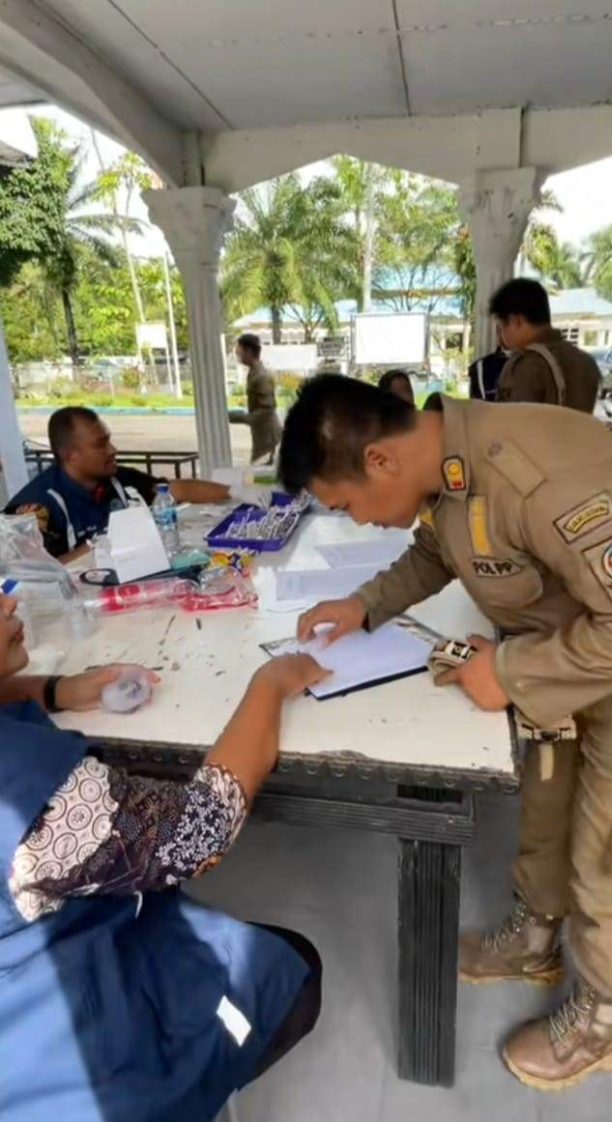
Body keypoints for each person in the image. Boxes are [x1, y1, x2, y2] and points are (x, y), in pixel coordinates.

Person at [277, 374, 612, 1092]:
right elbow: (444, 551)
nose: (362, 523)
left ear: (380, 461)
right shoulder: (449, 470)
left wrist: (510, 669)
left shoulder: (543, 474)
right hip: (570, 660)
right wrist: (363, 604)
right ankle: (536, 942)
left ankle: (603, 1023)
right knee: (548, 810)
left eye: (348, 507)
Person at [0, 590, 327, 1121]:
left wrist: (58, 690)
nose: (10, 604)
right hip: (68, 1061)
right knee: (294, 965)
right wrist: (268, 686)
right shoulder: (22, 801)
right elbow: (202, 827)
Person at [5, 407, 234, 561]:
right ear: (70, 455)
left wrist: (238, 492)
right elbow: (31, 575)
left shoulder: (118, 480)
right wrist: (105, 544)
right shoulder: (36, 507)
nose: (113, 450)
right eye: (101, 444)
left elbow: (179, 489)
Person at [491, 279, 600, 412]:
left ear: (516, 321)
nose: (502, 334)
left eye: (501, 326)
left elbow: (511, 424)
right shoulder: (586, 362)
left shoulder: (526, 364)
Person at [230, 333, 282, 464]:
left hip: (268, 436)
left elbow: (266, 410)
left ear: (249, 351)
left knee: (262, 476)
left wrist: (237, 417)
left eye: (239, 351)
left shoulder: (261, 376)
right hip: (261, 433)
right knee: (260, 475)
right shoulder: (253, 373)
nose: (238, 355)